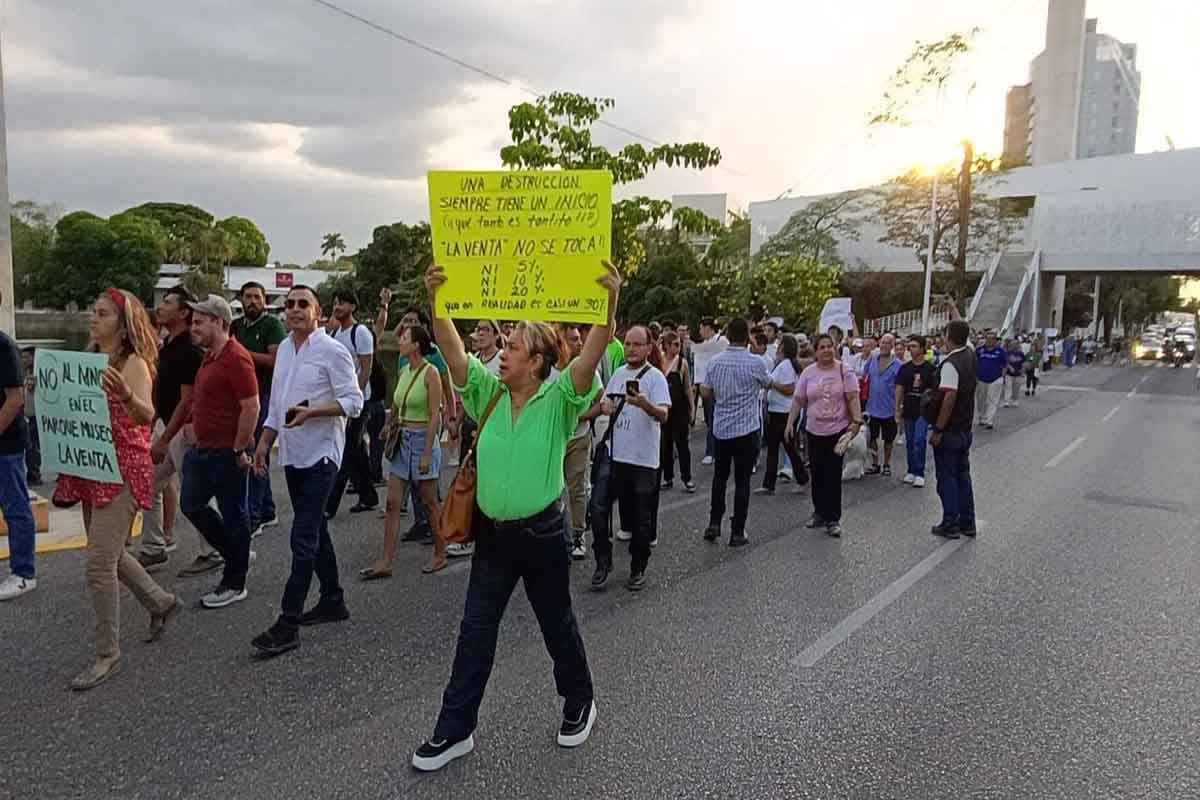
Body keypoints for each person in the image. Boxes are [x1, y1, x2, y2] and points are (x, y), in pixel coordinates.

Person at [410, 260, 615, 773]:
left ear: (538, 361)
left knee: (556, 624)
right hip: (494, 539)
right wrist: (437, 301)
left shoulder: (561, 398)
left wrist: (608, 302)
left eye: (514, 348)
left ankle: (579, 701)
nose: (502, 352)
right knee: (475, 630)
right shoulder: (488, 391)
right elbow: (452, 349)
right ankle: (455, 729)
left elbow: (591, 351)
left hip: (543, 534)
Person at [52, 289, 179, 689]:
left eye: (102, 313)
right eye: (93, 312)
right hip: (92, 466)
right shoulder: (88, 360)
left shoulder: (134, 363)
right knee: (111, 552)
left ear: (123, 326)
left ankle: (108, 653)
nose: (93, 318)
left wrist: (126, 396)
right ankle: (160, 601)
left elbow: (147, 414)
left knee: (98, 564)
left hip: (123, 470)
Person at [249, 285, 362, 656]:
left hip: (322, 455)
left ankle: (288, 623)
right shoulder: (284, 349)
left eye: (303, 304)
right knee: (315, 530)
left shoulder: (333, 351)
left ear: (318, 312)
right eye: (290, 304)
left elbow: (354, 402)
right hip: (292, 455)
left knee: (302, 537)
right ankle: (332, 599)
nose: (295, 309)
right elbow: (277, 406)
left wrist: (313, 412)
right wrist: (264, 442)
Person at [180, 294, 260, 610]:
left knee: (234, 514)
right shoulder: (210, 356)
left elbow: (251, 407)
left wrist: (240, 447)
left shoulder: (236, 358)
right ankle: (237, 554)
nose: (193, 327)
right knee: (191, 504)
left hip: (227, 452)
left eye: (199, 322)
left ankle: (235, 582)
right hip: (202, 450)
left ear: (218, 321)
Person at [360, 323, 448, 578]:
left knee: (429, 502)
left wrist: (427, 452)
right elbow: (398, 403)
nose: (400, 341)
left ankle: (440, 553)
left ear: (417, 344)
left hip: (422, 439)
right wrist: (388, 425)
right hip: (402, 439)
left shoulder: (430, 372)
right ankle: (386, 561)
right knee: (392, 503)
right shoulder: (404, 370)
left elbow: (434, 416)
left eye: (405, 338)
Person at [591, 326, 669, 590]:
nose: (631, 349)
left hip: (643, 460)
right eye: (627, 344)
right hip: (615, 454)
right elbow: (605, 402)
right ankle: (603, 561)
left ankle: (638, 567)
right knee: (598, 507)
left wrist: (645, 404)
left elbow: (663, 415)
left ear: (648, 348)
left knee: (640, 518)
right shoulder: (618, 374)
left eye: (637, 344)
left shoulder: (656, 378)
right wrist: (605, 406)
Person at [136, 287, 205, 574]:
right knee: (148, 484)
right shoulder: (169, 344)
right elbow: (162, 390)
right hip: (169, 426)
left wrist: (165, 439)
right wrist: (153, 420)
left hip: (185, 431)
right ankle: (153, 548)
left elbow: (187, 401)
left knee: (196, 494)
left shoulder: (189, 348)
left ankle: (215, 550)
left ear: (183, 312)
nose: (160, 307)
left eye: (167, 303)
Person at [701, 318, 772, 546]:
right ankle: (737, 531)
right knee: (742, 480)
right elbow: (767, 383)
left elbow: (705, 392)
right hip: (746, 428)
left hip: (722, 428)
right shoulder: (755, 362)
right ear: (747, 336)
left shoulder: (715, 362)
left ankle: (714, 522)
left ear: (729, 336)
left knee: (719, 477)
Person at [785, 333, 862, 538]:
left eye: (829, 346)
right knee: (817, 473)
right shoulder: (808, 372)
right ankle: (819, 512)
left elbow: (853, 397)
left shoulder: (845, 370)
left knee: (833, 475)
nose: (826, 350)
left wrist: (856, 422)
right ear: (816, 351)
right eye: (822, 347)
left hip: (838, 431)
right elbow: (798, 400)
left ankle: (833, 518)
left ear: (834, 348)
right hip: (814, 430)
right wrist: (790, 423)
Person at [231, 281, 286, 536]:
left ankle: (253, 516)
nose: (252, 301)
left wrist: (243, 353)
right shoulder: (236, 325)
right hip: (239, 395)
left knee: (254, 451)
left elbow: (276, 360)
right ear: (241, 299)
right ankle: (267, 510)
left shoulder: (272, 325)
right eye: (248, 297)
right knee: (249, 452)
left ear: (264, 300)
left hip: (263, 395)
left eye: (257, 297)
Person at [325, 290, 379, 516]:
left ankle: (329, 505)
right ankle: (369, 496)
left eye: (342, 303)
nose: (337, 307)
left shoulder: (361, 332)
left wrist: (354, 399)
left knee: (347, 450)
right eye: (335, 303)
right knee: (355, 450)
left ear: (353, 307)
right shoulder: (335, 333)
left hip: (359, 401)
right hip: (339, 400)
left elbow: (366, 369)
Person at [0, 302, 37, 602]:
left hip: (7, 444)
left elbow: (15, 399)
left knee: (15, 507)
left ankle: (23, 573)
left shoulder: (4, 347)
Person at [930, 319, 978, 539]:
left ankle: (950, 522)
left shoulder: (951, 364)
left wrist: (938, 429)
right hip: (965, 428)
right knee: (963, 476)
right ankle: (968, 521)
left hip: (950, 429)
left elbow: (949, 396)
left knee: (947, 478)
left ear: (948, 337)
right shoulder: (970, 355)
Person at [562, 324, 601, 559]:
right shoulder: (549, 370)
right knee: (553, 490)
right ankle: (558, 535)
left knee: (577, 489)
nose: (578, 343)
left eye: (579, 339)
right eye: (572, 339)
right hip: (555, 439)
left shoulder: (587, 371)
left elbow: (601, 402)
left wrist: (581, 416)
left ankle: (578, 535)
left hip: (578, 437)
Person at [757, 333, 808, 495]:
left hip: (783, 413)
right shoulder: (785, 364)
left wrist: (771, 384)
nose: (777, 347)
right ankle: (772, 483)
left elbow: (789, 389)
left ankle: (798, 479)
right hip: (778, 411)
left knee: (785, 448)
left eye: (780, 345)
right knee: (781, 448)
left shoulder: (786, 365)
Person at [659, 331, 695, 493]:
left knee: (682, 444)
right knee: (665, 444)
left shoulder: (682, 363)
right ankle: (668, 477)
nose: (677, 348)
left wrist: (692, 407)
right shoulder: (659, 361)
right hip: (664, 407)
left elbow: (687, 387)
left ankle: (687, 478)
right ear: (666, 345)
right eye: (674, 344)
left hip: (679, 408)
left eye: (679, 344)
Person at [864, 332, 901, 477]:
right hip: (872, 407)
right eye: (883, 342)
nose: (884, 345)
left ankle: (886, 464)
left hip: (889, 408)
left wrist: (898, 408)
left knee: (888, 439)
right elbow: (864, 376)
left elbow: (900, 387)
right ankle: (875, 464)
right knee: (871, 437)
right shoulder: (872, 359)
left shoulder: (898, 364)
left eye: (888, 343)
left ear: (892, 346)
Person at [692, 318, 727, 466]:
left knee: (716, 419)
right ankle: (715, 450)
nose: (700, 332)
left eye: (701, 328)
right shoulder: (703, 345)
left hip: (719, 386)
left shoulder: (721, 341)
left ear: (708, 328)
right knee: (710, 420)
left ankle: (712, 452)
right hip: (705, 386)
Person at [975, 332, 1006, 429]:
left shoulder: (1001, 351)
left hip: (995, 379)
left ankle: (989, 420)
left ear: (995, 340)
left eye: (992, 339)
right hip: (981, 379)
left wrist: (1002, 377)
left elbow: (1004, 365)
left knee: (992, 400)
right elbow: (974, 363)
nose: (990, 341)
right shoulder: (979, 350)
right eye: (988, 338)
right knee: (981, 399)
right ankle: (982, 416)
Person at [19, 347, 40, 487]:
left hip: (35, 416)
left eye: (27, 357)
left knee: (32, 447)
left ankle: (34, 474)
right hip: (26, 415)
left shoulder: (37, 374)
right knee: (29, 446)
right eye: (22, 357)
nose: (24, 360)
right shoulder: (24, 373)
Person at [1003, 338, 1026, 408]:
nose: (1014, 345)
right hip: (1009, 374)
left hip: (1018, 374)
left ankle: (1015, 400)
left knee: (1016, 388)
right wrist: (1010, 367)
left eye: (1016, 344)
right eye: (1013, 344)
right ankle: (1006, 401)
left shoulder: (1021, 353)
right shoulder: (1008, 352)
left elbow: (1023, 362)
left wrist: (1022, 370)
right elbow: (1006, 362)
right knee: (1008, 387)